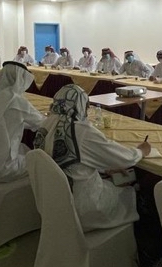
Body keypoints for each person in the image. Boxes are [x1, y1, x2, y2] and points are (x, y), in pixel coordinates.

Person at [34, 84, 151, 232]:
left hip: (53, 203)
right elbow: (122, 158)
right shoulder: (80, 130)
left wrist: (104, 169)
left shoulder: (45, 125)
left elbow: (66, 160)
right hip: (82, 209)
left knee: (111, 181)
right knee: (129, 193)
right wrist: (141, 151)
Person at [0, 62, 45, 182]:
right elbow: (43, 123)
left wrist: (26, 123)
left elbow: (8, 120)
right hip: (4, 168)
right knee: (46, 161)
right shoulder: (16, 101)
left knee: (24, 148)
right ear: (20, 79)